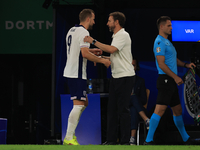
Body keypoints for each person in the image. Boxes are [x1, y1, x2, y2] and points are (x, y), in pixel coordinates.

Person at [84, 11, 135, 145]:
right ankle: (111, 140)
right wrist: (100, 58)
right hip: (115, 77)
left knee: (123, 110)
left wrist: (93, 41)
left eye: (109, 21)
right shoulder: (116, 36)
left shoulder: (123, 35)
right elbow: (115, 56)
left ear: (116, 22)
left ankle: (125, 142)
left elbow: (112, 50)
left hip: (125, 77)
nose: (107, 23)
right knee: (111, 110)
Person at [144, 16, 196, 145]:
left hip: (171, 81)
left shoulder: (168, 42)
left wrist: (185, 65)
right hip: (165, 80)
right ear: (161, 27)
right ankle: (148, 140)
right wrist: (175, 77)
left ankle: (185, 138)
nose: (171, 28)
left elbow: (172, 60)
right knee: (160, 110)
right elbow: (161, 64)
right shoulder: (159, 42)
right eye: (169, 25)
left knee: (177, 110)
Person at [63, 9, 111, 145]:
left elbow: (79, 50)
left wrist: (92, 51)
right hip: (77, 73)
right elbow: (84, 54)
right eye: (94, 19)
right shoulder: (84, 32)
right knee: (79, 105)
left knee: (84, 103)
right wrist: (103, 60)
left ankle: (70, 136)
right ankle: (68, 138)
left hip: (71, 72)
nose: (94, 22)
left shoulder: (72, 30)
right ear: (88, 18)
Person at [129, 58, 150, 145]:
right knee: (133, 98)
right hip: (125, 106)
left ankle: (132, 139)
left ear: (136, 67)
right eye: (130, 65)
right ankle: (146, 119)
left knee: (134, 109)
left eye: (134, 65)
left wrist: (134, 98)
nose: (132, 67)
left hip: (137, 108)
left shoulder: (140, 81)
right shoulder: (122, 80)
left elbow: (144, 100)